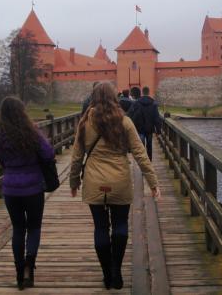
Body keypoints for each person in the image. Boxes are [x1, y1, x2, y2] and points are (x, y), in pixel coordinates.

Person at [69, 82, 160, 290]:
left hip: (94, 182)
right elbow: (140, 153)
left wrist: (74, 182)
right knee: (120, 226)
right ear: (114, 98)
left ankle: (106, 274)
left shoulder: (85, 122)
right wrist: (153, 182)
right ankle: (117, 272)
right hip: (120, 181)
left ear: (93, 97)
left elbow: (76, 157)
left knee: (101, 228)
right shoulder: (125, 121)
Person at [0, 96, 55, 290]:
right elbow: (48, 154)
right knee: (34, 228)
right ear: (22, 113)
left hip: (11, 189)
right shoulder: (32, 133)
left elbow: (2, 161)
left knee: (18, 229)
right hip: (33, 187)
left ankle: (19, 273)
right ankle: (30, 264)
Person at [127, 86, 161, 160]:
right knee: (149, 145)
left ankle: (144, 161)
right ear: (148, 92)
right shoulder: (153, 103)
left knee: (141, 146)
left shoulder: (136, 102)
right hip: (150, 128)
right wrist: (158, 131)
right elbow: (156, 118)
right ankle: (150, 161)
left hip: (140, 128)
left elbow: (130, 115)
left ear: (142, 92)